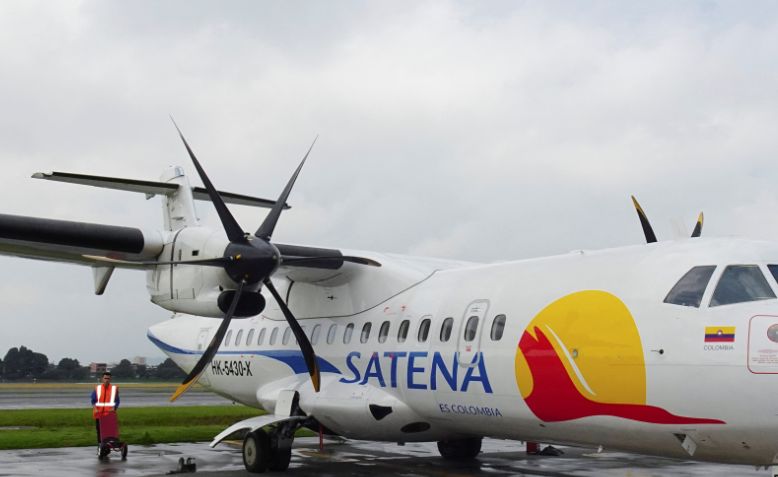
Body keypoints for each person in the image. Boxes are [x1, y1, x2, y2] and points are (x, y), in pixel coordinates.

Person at [91, 371, 120, 445]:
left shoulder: (114, 389)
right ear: (102, 379)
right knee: (100, 431)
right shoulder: (97, 388)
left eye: (108, 378)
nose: (107, 380)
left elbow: (117, 401)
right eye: (105, 378)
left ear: (110, 379)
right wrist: (95, 408)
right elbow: (93, 400)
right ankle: (100, 445)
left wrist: (114, 407)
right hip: (99, 414)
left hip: (109, 414)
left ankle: (110, 443)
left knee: (110, 431)